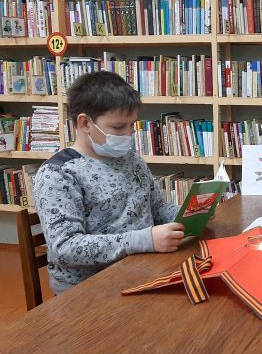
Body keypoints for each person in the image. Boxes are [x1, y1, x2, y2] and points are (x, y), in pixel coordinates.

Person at [34, 72, 185, 295]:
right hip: (88, 289)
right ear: (85, 123)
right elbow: (65, 248)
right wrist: (144, 240)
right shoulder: (59, 174)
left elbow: (157, 209)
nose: (128, 135)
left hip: (143, 268)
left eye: (131, 125)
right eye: (118, 127)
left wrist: (189, 213)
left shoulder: (132, 160)